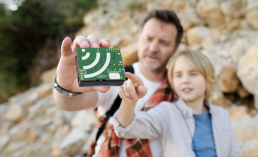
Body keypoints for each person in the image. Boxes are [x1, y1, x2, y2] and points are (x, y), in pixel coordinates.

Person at [52, 9, 183, 157]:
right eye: (148, 38)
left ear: (175, 49)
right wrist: (66, 87)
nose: (153, 48)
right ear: (139, 38)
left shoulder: (180, 88)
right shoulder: (114, 74)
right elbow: (70, 104)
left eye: (164, 43)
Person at [113, 50, 243, 157]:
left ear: (208, 80)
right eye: (179, 75)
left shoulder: (222, 115)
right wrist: (129, 100)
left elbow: (235, 153)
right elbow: (126, 128)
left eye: (193, 74)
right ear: (172, 82)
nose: (185, 80)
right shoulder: (166, 112)